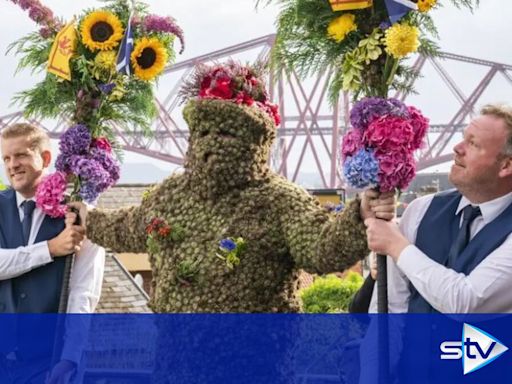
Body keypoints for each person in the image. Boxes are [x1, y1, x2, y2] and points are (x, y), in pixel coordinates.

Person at [365, 104, 512, 313]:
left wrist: (396, 245)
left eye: (473, 144)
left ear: (506, 165)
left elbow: (465, 302)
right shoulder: (420, 210)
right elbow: (390, 304)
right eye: (464, 137)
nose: (458, 148)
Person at [0, 123, 105, 383]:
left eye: (21, 155)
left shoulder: (79, 213)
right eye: (6, 158)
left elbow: (83, 292)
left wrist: (70, 358)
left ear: (45, 158)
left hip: (46, 365)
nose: (12, 165)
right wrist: (50, 248)